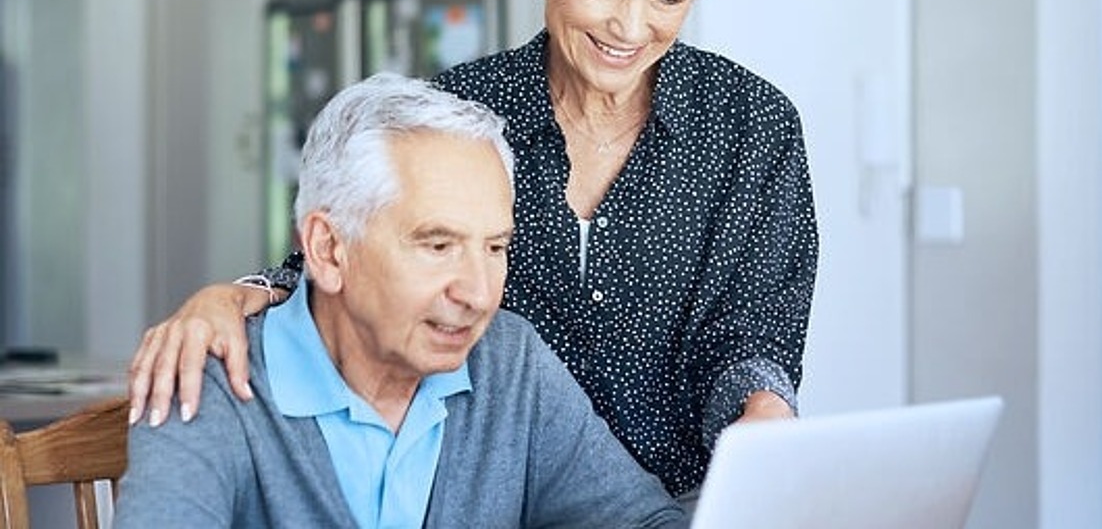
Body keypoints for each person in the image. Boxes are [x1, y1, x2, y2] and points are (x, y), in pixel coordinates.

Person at [127, 0, 819, 500]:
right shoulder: (461, 111)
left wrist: (765, 417)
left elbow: (753, 337)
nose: (631, 27)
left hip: (671, 507)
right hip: (478, 498)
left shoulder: (752, 125)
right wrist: (232, 298)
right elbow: (348, 260)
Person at [113, 73, 686, 528]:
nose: (479, 294)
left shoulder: (510, 364)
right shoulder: (209, 378)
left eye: (494, 247)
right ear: (329, 249)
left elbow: (644, 521)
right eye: (437, 245)